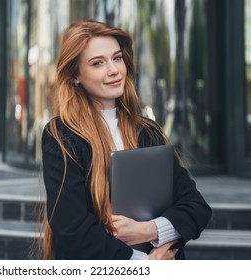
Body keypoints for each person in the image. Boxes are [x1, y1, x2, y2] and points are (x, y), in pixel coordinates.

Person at [40, 20, 211, 260]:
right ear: (75, 76)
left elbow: (196, 207)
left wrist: (148, 230)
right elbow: (72, 231)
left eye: (117, 58)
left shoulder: (146, 130)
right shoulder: (62, 134)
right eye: (98, 63)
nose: (114, 70)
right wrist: (143, 264)